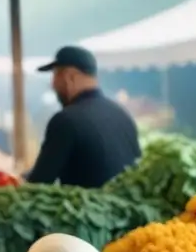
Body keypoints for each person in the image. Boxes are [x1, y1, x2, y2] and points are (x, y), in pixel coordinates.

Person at [26, 46, 141, 188]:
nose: (52, 85)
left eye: (55, 76)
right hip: (125, 208)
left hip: (87, 208)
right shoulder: (122, 114)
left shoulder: (66, 121)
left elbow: (38, 184)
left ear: (70, 77)